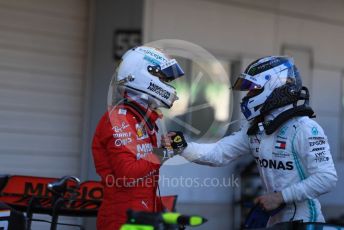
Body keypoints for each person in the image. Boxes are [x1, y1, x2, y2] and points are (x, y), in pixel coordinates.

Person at [162, 56, 338, 226]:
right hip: (274, 219)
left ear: (274, 86)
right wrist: (182, 146)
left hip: (305, 219)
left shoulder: (305, 128)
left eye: (254, 89)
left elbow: (326, 178)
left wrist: (280, 197)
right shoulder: (255, 128)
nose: (248, 95)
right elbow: (219, 154)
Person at [92, 46, 185, 230]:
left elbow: (145, 171)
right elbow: (127, 174)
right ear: (144, 74)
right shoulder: (119, 118)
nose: (167, 84)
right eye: (163, 78)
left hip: (141, 215)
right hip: (122, 219)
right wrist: (164, 153)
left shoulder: (142, 118)